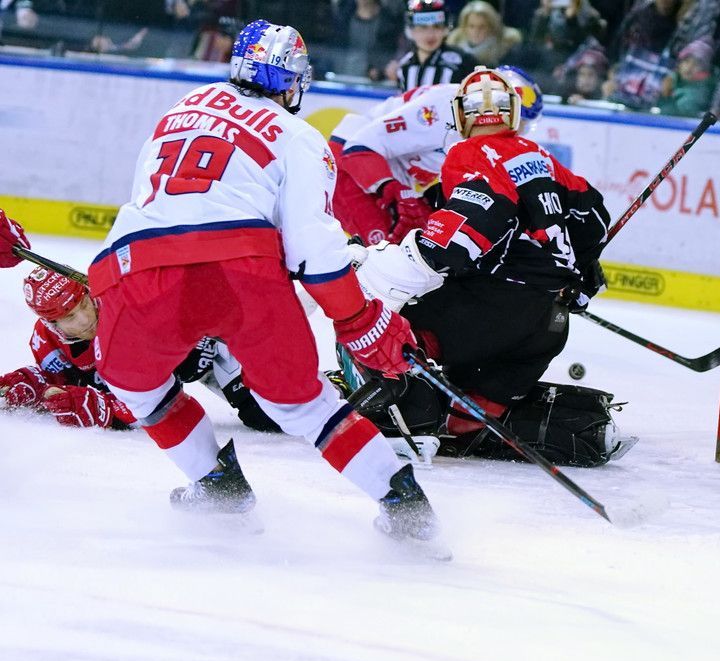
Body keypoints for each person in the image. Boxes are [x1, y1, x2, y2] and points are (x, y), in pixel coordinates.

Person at [84, 20, 444, 549]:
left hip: (141, 264)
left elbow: (150, 198)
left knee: (134, 385)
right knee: (301, 404)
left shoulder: (184, 105)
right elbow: (311, 248)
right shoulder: (300, 137)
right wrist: (358, 319)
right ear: (293, 81)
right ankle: (404, 504)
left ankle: (216, 483)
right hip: (242, 270)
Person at [353, 66, 635, 467]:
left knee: (373, 320)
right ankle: (465, 419)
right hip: (548, 326)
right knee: (465, 420)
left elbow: (472, 223)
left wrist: (402, 260)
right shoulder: (540, 156)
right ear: (513, 112)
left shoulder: (469, 152)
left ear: (460, 114)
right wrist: (582, 275)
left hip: (491, 312)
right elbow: (594, 220)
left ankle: (406, 421)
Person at [1, 266, 280, 432]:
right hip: (171, 365)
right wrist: (35, 384)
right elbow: (66, 384)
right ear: (51, 324)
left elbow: (156, 400)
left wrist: (103, 409)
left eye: (84, 304)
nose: (85, 320)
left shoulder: (124, 312)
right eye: (70, 317)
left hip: (211, 348)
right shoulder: (46, 342)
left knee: (269, 415)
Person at [327, 81, 461, 245]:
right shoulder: (446, 107)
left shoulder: (466, 105)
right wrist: (394, 191)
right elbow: (358, 147)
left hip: (387, 174)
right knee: (387, 249)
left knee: (419, 243)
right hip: (352, 166)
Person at [394, 0, 474, 90]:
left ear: (445, 29)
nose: (430, 35)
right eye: (423, 27)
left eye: (437, 27)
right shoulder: (404, 66)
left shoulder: (462, 62)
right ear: (411, 31)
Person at [446, 1, 521, 66]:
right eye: (471, 26)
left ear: (491, 27)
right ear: (464, 26)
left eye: (482, 27)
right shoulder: (453, 46)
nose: (476, 31)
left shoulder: (505, 50)